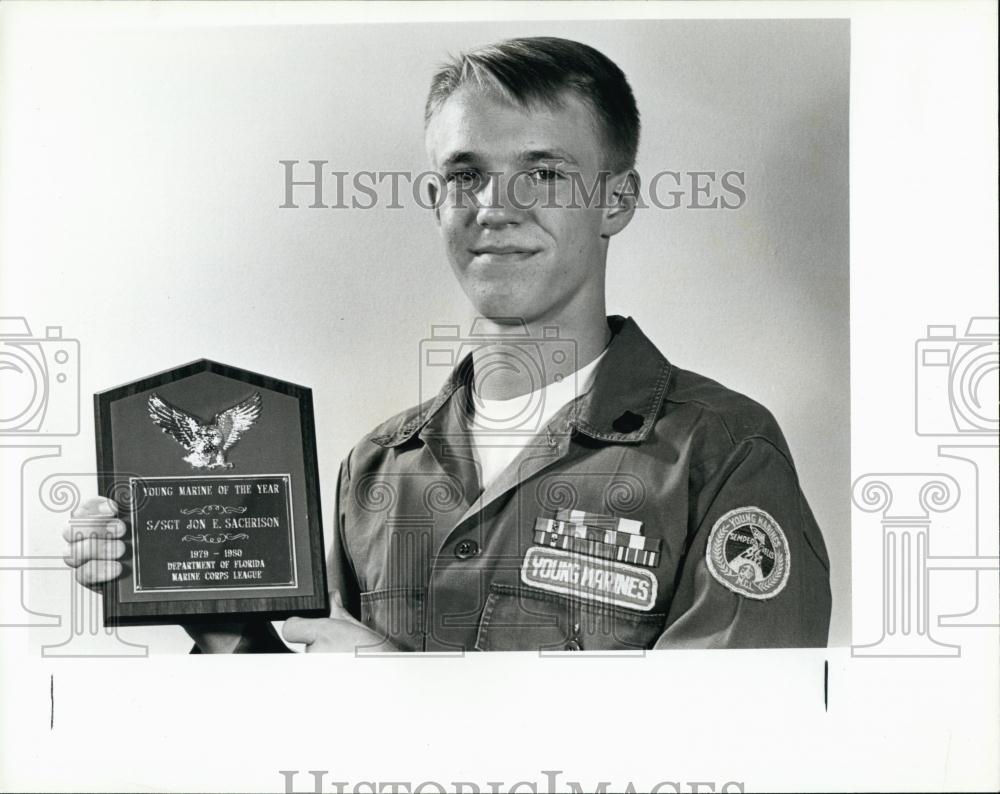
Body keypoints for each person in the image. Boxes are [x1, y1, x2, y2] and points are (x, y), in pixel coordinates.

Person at [63, 36, 831, 652]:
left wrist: (408, 701)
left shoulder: (721, 452)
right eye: (466, 176)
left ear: (617, 200)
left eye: (543, 173)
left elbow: (736, 742)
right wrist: (221, 617)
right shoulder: (375, 468)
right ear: (436, 200)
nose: (495, 208)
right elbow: (323, 726)